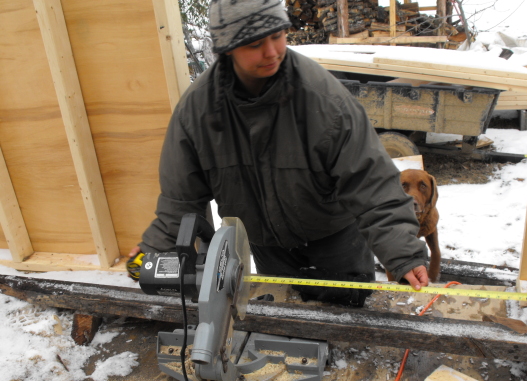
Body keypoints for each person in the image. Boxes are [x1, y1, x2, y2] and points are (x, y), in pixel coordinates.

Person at [129, 0, 429, 306]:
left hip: (335, 241)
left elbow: (371, 181)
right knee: (286, 321)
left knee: (345, 319)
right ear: (227, 48)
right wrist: (156, 248)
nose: (272, 51)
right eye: (256, 44)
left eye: (278, 35)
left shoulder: (325, 100)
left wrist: (402, 253)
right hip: (267, 246)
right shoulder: (197, 113)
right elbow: (182, 198)